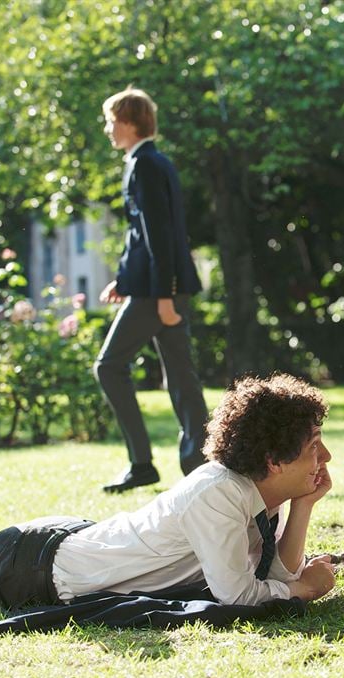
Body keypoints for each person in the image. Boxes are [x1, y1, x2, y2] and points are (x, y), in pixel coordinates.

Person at [0, 371, 336, 619]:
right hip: (28, 566)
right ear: (274, 459)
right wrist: (302, 591)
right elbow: (238, 596)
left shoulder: (258, 491)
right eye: (314, 443)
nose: (326, 455)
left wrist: (302, 508)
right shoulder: (219, 493)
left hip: (57, 548)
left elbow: (269, 574)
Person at [96, 87, 209, 492]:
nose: (109, 130)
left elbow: (159, 235)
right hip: (157, 289)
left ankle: (142, 463)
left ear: (128, 122)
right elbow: (141, 237)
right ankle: (200, 466)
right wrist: (124, 281)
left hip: (159, 294)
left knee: (108, 367)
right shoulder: (153, 162)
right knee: (181, 375)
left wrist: (163, 296)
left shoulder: (144, 165)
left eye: (112, 122)